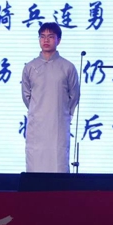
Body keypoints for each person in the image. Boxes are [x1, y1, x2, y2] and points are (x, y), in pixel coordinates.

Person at [21, 22, 80, 172]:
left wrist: (63, 113)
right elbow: (26, 95)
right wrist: (38, 110)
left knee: (58, 164)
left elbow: (74, 95)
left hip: (58, 123)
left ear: (59, 40)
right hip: (37, 124)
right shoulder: (30, 67)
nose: (46, 40)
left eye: (51, 37)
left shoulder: (68, 67)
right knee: (35, 166)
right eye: (42, 37)